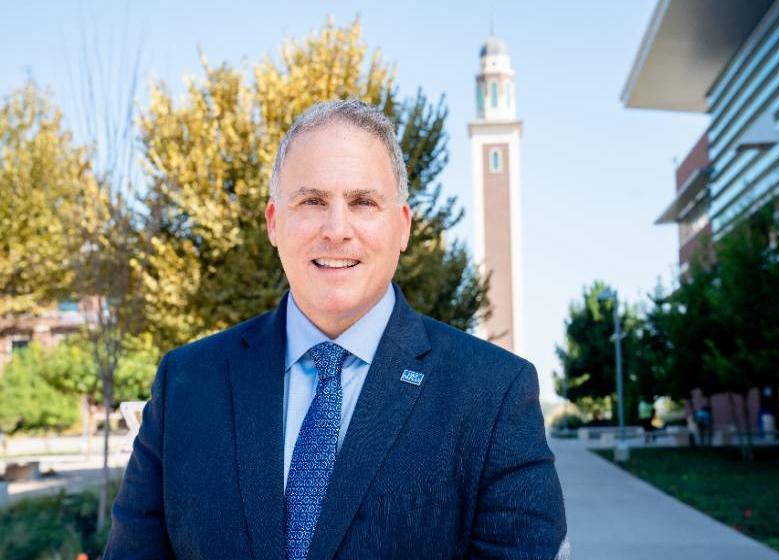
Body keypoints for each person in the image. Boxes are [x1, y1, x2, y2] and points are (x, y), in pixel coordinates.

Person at [104, 100, 568, 559]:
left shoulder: (493, 394)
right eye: (312, 201)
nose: (337, 229)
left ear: (402, 227)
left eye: (363, 202)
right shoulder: (185, 384)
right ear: (274, 222)